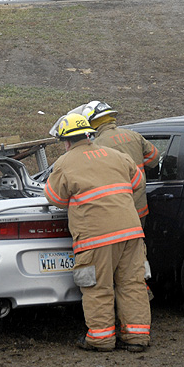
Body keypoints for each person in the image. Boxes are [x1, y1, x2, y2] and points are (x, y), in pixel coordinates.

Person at [44, 114, 151, 353]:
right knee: (132, 283)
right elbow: (138, 181)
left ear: (66, 141)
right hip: (132, 232)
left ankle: (101, 339)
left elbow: (55, 198)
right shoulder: (116, 156)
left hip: (96, 237)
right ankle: (136, 337)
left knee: (97, 287)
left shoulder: (65, 163)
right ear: (89, 134)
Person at [82, 101, 160, 226]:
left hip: (117, 210)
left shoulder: (96, 146)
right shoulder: (133, 135)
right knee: (137, 243)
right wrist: (138, 166)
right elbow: (154, 158)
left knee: (122, 244)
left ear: (91, 123)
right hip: (139, 207)